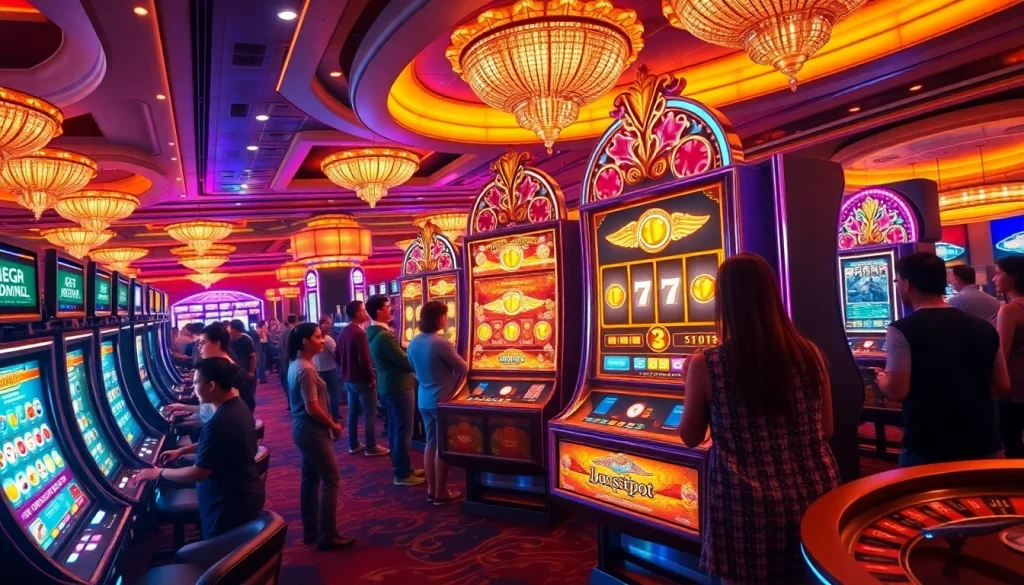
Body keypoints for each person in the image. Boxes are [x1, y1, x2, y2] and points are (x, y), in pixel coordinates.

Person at [679, 253, 840, 585]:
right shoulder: (811, 354)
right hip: (815, 493)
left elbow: (690, 436)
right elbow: (827, 428)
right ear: (772, 295)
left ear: (723, 301)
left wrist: (688, 384)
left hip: (746, 503)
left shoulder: (709, 363)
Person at [875, 252, 1010, 467]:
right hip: (983, 438)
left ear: (907, 283)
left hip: (928, 443)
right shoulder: (983, 326)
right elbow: (1003, 385)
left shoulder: (901, 329)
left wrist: (881, 378)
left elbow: (896, 390)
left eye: (897, 280)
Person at [135, 357, 264, 538]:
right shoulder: (236, 407)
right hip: (239, 493)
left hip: (229, 504)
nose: (194, 388)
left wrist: (159, 473)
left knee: (219, 558)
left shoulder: (221, 420)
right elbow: (216, 444)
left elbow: (199, 472)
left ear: (211, 386)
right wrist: (182, 450)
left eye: (196, 382)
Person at [288, 322, 353, 550]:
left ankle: (312, 530)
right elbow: (312, 407)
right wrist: (333, 425)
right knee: (331, 479)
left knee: (311, 480)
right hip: (311, 430)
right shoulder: (305, 369)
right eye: (317, 337)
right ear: (306, 341)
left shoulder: (299, 364)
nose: (323, 340)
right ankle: (327, 534)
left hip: (304, 429)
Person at [407, 301, 467, 504]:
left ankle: (432, 490)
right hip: (441, 400)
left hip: (424, 397)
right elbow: (463, 368)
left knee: (430, 443)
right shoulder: (439, 342)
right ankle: (441, 492)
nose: (446, 318)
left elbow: (413, 369)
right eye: (444, 315)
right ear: (438, 317)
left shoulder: (413, 342)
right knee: (443, 446)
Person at [366, 295, 423, 486]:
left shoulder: (374, 332)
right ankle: (402, 473)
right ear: (378, 312)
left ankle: (402, 466)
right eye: (387, 306)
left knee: (396, 430)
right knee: (403, 431)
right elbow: (405, 362)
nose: (392, 309)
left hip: (388, 384)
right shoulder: (384, 336)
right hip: (398, 385)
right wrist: (417, 350)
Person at [336, 300, 388, 457]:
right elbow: (364, 360)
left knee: (352, 413)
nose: (366, 313)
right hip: (361, 379)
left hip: (348, 379)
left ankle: (353, 444)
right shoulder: (359, 333)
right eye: (363, 310)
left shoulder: (343, 332)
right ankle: (371, 446)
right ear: (358, 313)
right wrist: (371, 377)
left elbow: (337, 356)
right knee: (369, 414)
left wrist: (346, 368)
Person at [994, 256, 1024, 458]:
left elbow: (1001, 354)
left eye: (998, 273)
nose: (994, 279)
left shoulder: (1011, 309)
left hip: (1014, 386)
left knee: (1010, 442)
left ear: (1014, 277)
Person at [315, 315, 343, 426]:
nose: (330, 325)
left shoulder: (317, 338)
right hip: (329, 369)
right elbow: (337, 353)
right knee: (334, 393)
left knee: (323, 394)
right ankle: (334, 415)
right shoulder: (327, 339)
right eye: (327, 323)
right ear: (321, 324)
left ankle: (328, 413)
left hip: (318, 368)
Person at [229, 320, 258, 411]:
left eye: (230, 328)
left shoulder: (245, 339)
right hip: (238, 371)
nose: (229, 330)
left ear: (234, 329)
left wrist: (251, 371)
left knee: (248, 395)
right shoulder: (231, 340)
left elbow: (253, 357)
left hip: (246, 370)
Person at [279, 314, 300, 406]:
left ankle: (290, 403)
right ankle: (294, 403)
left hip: (284, 359)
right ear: (296, 320)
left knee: (289, 382)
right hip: (292, 359)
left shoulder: (283, 332)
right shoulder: (294, 331)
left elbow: (280, 347)